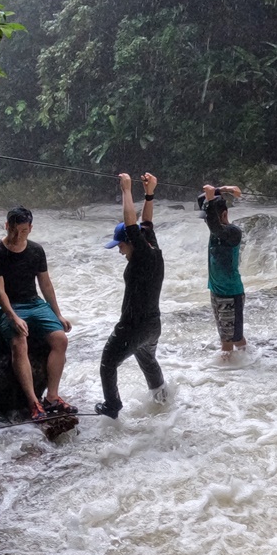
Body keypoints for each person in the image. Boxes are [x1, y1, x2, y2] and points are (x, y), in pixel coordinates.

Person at [0, 206, 74, 421]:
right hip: (10, 306)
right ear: (6, 226)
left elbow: (45, 284)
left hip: (35, 303)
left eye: (23, 231)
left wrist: (57, 314)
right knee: (19, 342)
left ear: (30, 229)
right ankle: (34, 402)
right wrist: (13, 317)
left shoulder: (36, 250)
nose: (17, 235)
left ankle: (52, 397)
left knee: (60, 339)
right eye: (13, 230)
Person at [95, 173, 167, 420]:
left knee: (108, 364)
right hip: (153, 325)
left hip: (134, 326)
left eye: (120, 245)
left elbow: (132, 225)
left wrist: (126, 189)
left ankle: (112, 407)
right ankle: (163, 400)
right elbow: (146, 223)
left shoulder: (142, 257)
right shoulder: (153, 250)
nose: (119, 251)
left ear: (131, 243)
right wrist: (149, 193)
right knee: (148, 361)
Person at [201, 183, 246, 360]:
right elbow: (202, 199)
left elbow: (215, 226)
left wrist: (213, 197)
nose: (207, 221)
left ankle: (231, 371)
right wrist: (224, 189)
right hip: (216, 291)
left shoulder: (233, 232)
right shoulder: (214, 225)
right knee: (228, 337)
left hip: (231, 293)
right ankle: (243, 362)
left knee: (230, 340)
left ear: (225, 215)